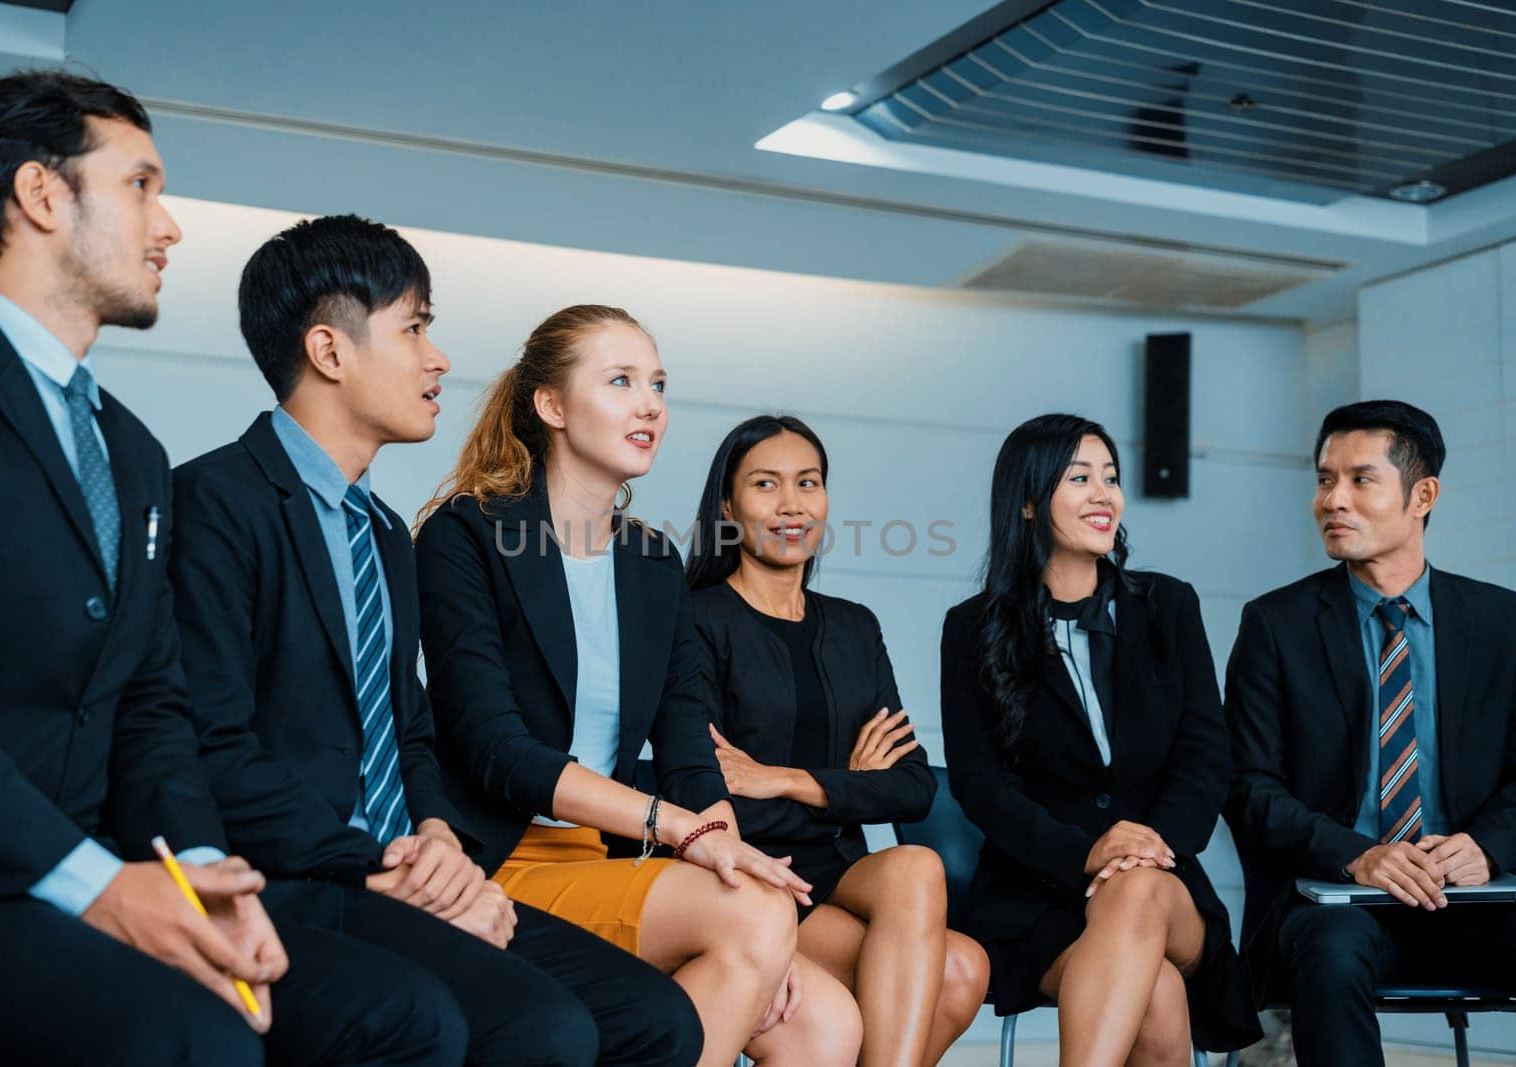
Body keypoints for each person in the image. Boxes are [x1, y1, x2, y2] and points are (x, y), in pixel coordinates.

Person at [0, 72, 460, 1063]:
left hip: (103, 868)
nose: (167, 226)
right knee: (200, 1039)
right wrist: (101, 882)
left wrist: (203, 875)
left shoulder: (128, 450)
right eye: (141, 186)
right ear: (43, 196)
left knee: (405, 1017)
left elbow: (151, 704)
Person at [167, 213, 703, 1066]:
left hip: (402, 860)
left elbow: (409, 731)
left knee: (659, 1020)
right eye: (415, 327)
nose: (440, 358)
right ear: (330, 352)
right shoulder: (215, 503)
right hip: (296, 875)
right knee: (540, 1026)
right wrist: (389, 865)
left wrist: (443, 844)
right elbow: (212, 747)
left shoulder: (382, 530)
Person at [416, 304, 842, 1066]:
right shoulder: (467, 534)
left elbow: (687, 751)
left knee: (825, 1023)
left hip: (605, 861)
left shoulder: (651, 562)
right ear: (551, 405)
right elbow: (496, 749)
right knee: (755, 926)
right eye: (620, 381)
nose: (650, 403)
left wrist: (736, 865)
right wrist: (681, 830)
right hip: (496, 859)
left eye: (657, 383)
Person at [939, 413, 1260, 1066]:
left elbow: (1206, 754)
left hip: (1164, 883)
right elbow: (981, 786)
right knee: (1157, 994)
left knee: (1136, 892)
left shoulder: (1169, 604)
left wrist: (1148, 847)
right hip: (1041, 898)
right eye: (1079, 476)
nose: (1103, 494)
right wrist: (1088, 851)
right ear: (1028, 501)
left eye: (1110, 477)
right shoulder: (972, 627)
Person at [685, 413, 991, 1065]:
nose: (792, 503)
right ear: (729, 506)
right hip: (748, 877)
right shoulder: (697, 619)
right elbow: (711, 787)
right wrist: (850, 786)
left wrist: (787, 777)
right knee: (955, 968)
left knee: (918, 865)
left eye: (809, 482)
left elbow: (910, 788)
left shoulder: (854, 626)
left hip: (836, 871)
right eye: (766, 484)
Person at [1224, 399, 1516, 1066]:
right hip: (1335, 904)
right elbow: (1247, 786)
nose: (1333, 500)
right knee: (1333, 947)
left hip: (1476, 899)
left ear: (1423, 495)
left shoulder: (1506, 622)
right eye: (1325, 479)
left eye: (1360, 479)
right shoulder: (1277, 625)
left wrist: (1488, 846)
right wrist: (1357, 852)